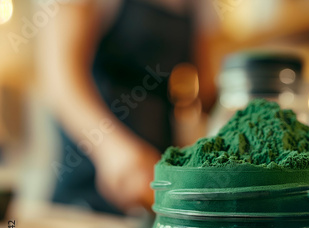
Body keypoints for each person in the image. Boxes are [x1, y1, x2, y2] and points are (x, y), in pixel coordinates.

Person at [38, 0, 210, 214]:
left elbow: (204, 90)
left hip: (154, 184)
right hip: (88, 185)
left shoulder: (200, 6)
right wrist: (111, 150)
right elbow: (60, 83)